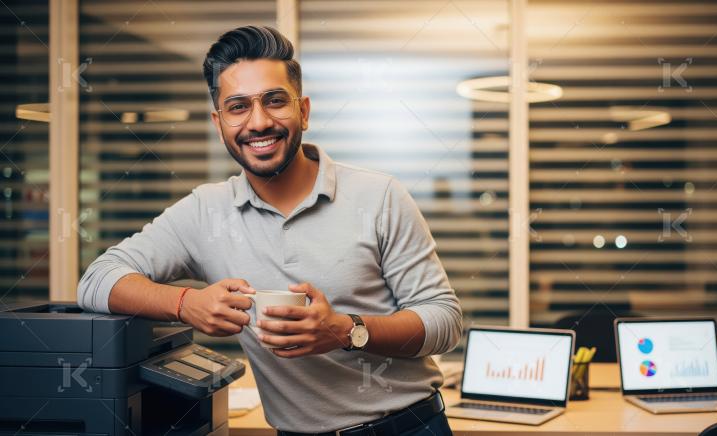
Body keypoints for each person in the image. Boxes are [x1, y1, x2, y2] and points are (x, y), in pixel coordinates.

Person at [77, 25, 462, 436]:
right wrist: (186, 303)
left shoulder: (380, 196)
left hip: (408, 427)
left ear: (304, 112)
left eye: (275, 101)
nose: (258, 122)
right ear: (219, 123)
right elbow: (97, 281)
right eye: (238, 107)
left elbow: (444, 321)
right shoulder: (205, 211)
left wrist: (345, 330)